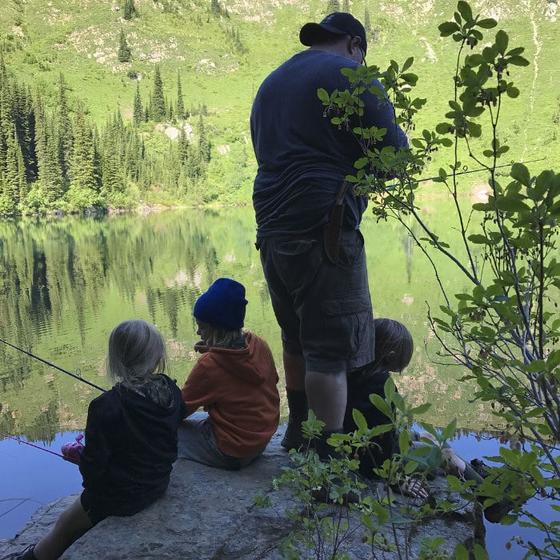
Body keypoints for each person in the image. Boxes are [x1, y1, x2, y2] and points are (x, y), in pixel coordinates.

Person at [250, 12, 408, 458]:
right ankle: (330, 462)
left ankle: (299, 432)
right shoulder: (352, 75)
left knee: (296, 335)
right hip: (326, 232)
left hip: (273, 231)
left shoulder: (270, 84)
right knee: (331, 352)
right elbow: (395, 158)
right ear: (355, 45)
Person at [10, 320, 185, 560]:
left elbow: (93, 472)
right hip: (158, 483)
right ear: (157, 357)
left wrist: (80, 457)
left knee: (63, 525)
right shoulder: (173, 393)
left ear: (116, 360)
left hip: (120, 498)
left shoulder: (105, 406)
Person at [345, 318, 482, 497]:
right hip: (370, 459)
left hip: (358, 443)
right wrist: (397, 479)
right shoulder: (379, 385)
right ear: (391, 355)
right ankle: (488, 495)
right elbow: (383, 443)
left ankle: (477, 474)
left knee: (432, 436)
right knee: (443, 453)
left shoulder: (356, 370)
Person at [178, 278, 280, 470]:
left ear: (216, 329)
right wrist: (213, 348)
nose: (198, 331)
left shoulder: (209, 366)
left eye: (202, 326)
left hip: (231, 451)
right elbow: (270, 380)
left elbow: (180, 409)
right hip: (260, 441)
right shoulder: (259, 345)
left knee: (168, 434)